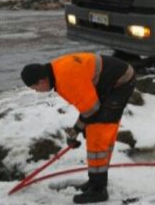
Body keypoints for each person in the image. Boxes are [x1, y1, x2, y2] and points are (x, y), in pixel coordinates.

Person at [20, 52, 135, 204]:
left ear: (42, 81)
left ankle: (99, 190)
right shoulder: (55, 70)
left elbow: (91, 109)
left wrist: (76, 130)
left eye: (34, 88)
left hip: (120, 83)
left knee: (98, 136)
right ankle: (94, 183)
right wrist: (80, 128)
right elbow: (87, 105)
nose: (36, 91)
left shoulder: (65, 78)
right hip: (106, 82)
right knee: (92, 131)